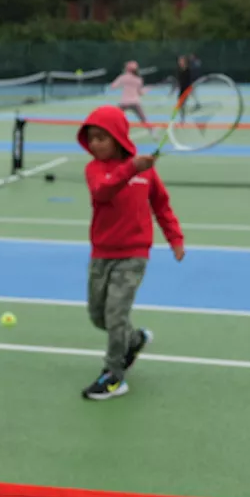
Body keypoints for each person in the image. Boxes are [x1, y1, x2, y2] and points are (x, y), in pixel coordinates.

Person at [79, 105, 185, 401]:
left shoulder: (145, 173)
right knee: (98, 316)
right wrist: (131, 169)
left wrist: (175, 238)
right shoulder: (94, 170)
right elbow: (103, 192)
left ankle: (113, 376)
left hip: (134, 255)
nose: (96, 143)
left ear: (119, 137)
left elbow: (161, 205)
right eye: (92, 138)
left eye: (102, 137)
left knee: (115, 316)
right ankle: (134, 340)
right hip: (101, 254)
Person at [109, 61, 151, 132]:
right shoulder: (138, 79)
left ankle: (109, 130)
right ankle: (153, 132)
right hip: (135, 102)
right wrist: (146, 89)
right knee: (143, 119)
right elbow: (140, 93)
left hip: (124, 102)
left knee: (114, 117)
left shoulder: (123, 77)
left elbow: (113, 86)